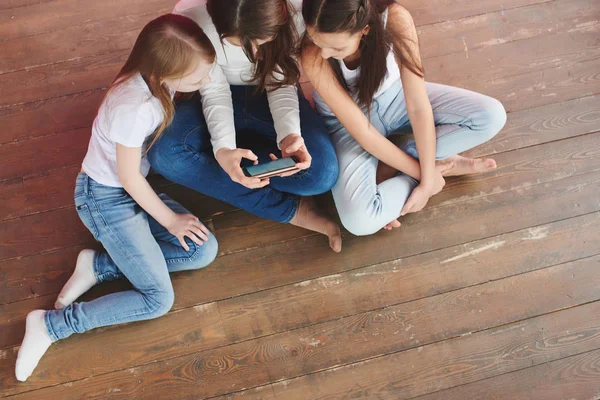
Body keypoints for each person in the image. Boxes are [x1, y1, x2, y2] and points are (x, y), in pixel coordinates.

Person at [15, 14, 219, 382]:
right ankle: (50, 326)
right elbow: (126, 178)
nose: (204, 82)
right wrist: (169, 219)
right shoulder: (135, 106)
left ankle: (98, 267)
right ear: (164, 73)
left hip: (133, 190)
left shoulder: (154, 82)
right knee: (157, 299)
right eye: (197, 77)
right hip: (105, 198)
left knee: (202, 249)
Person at [148, 0, 342, 253]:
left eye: (260, 42)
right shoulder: (191, 19)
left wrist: (290, 135)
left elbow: (281, 82)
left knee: (322, 173)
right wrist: (223, 148)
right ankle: (292, 210)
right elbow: (214, 90)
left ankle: (233, 170)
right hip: (210, 95)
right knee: (164, 154)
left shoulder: (296, 10)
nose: (253, 52)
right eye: (236, 42)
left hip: (272, 91)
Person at [301, 0, 507, 236]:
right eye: (317, 41)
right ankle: (440, 167)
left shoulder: (395, 18)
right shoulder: (312, 54)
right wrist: (426, 178)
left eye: (336, 48)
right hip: (347, 126)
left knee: (491, 115)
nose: (324, 53)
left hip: (395, 98)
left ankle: (402, 163)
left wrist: (426, 179)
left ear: (365, 28)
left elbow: (418, 107)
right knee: (359, 221)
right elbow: (364, 134)